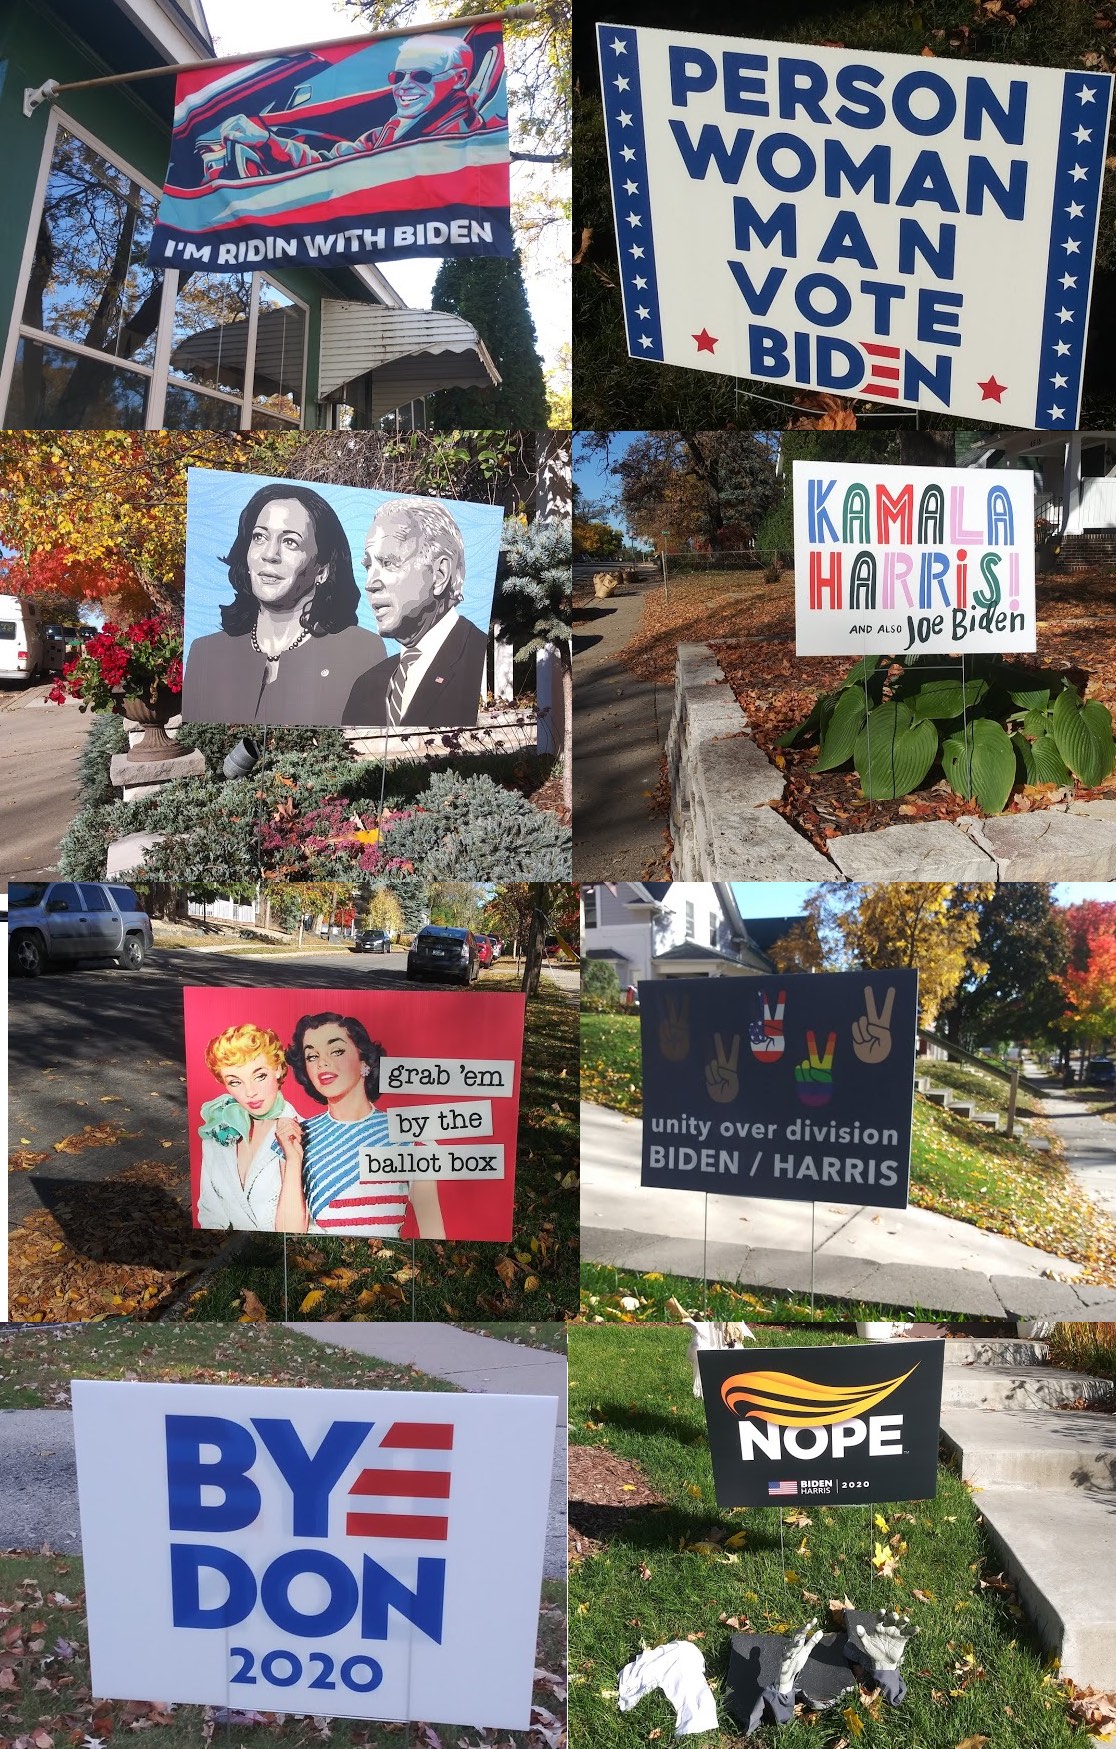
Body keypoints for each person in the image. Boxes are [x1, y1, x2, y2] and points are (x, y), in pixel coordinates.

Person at [181, 482, 385, 726]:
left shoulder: (362, 651)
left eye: (290, 542)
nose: (270, 554)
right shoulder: (206, 653)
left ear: (322, 569)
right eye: (259, 537)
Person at [204, 35, 502, 182]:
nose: (405, 86)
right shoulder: (387, 133)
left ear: (459, 78)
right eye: (398, 77)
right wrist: (267, 141)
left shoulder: (456, 138)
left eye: (421, 75)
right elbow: (329, 162)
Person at [274, 1011, 445, 1238]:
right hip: (314, 1263)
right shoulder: (297, 1136)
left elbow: (433, 1231)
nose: (322, 1063)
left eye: (336, 1051)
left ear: (364, 1060)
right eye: (312, 1057)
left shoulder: (409, 1136)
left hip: (382, 1264)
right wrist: (294, 1159)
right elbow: (288, 1234)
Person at [344, 497, 488, 728]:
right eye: (368, 566)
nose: (370, 583)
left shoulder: (480, 659)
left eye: (388, 563)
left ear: (439, 574)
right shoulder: (366, 686)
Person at [196, 1023, 300, 1230]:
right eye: (235, 1082)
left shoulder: (304, 1131)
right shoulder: (217, 1132)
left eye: (259, 1076)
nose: (250, 1092)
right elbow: (208, 1210)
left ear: (278, 1069)